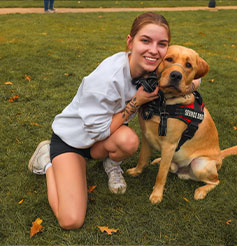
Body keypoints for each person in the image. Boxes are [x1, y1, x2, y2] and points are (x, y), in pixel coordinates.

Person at [28, 12, 201, 230]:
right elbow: (100, 132)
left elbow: (196, 77)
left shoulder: (154, 69)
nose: (153, 50)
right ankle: (48, 162)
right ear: (130, 42)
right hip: (72, 141)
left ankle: (111, 164)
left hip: (101, 140)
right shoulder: (106, 79)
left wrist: (190, 85)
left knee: (129, 141)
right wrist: (136, 102)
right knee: (71, 220)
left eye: (162, 44)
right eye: (145, 40)